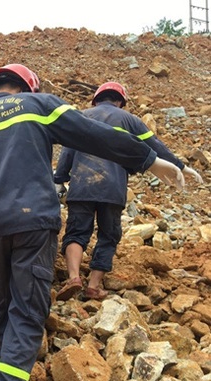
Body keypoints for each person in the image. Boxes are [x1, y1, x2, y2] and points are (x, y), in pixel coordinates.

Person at [0, 64, 185, 381]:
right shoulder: (39, 105)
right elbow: (97, 135)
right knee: (29, 306)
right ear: (28, 87)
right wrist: (150, 160)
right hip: (34, 220)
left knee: (4, 303)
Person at [54, 82, 203, 301]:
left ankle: (74, 278)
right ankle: (93, 286)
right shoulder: (130, 120)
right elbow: (155, 146)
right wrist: (180, 166)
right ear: (120, 102)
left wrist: (59, 178)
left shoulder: (82, 116)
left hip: (82, 185)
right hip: (112, 189)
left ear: (96, 99)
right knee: (109, 235)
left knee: (77, 233)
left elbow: (68, 150)